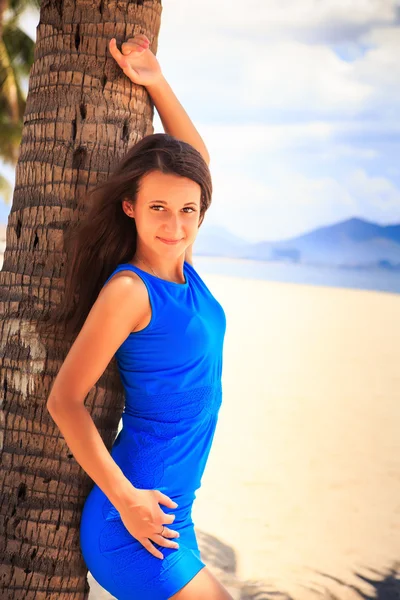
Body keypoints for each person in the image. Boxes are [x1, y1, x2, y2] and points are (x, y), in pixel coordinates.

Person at [46, 34, 232, 599]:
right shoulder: (131, 290)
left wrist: (155, 80)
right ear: (130, 206)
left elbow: (193, 156)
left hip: (174, 517)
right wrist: (127, 501)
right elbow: (64, 400)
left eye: (186, 210)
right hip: (134, 524)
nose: (174, 225)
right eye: (157, 209)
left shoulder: (182, 267)